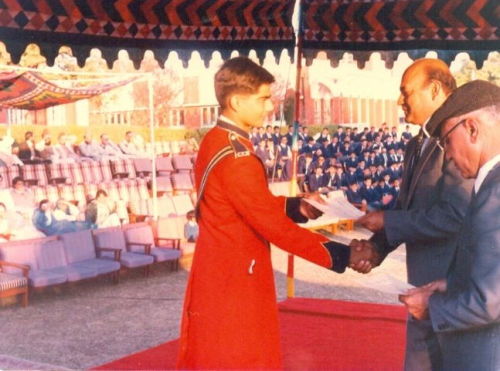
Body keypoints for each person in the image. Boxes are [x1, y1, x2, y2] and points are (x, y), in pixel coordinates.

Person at [176, 56, 379, 370]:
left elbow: (244, 205)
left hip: (223, 272)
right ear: (235, 101)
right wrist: (342, 255)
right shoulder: (237, 157)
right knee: (238, 360)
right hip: (235, 282)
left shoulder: (218, 140)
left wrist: (296, 206)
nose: (269, 107)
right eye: (262, 99)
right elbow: (274, 228)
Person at [356, 58, 474, 370]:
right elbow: (406, 206)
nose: (399, 101)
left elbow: (455, 214)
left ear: (434, 90)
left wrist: (388, 221)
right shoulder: (416, 144)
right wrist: (377, 246)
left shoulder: (460, 141)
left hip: (451, 292)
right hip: (422, 292)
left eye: (405, 92)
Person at [399, 80, 500, 371]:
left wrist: (431, 309)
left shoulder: (494, 191)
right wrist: (452, 284)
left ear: (472, 129)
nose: (449, 155)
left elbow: (489, 302)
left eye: (446, 141)